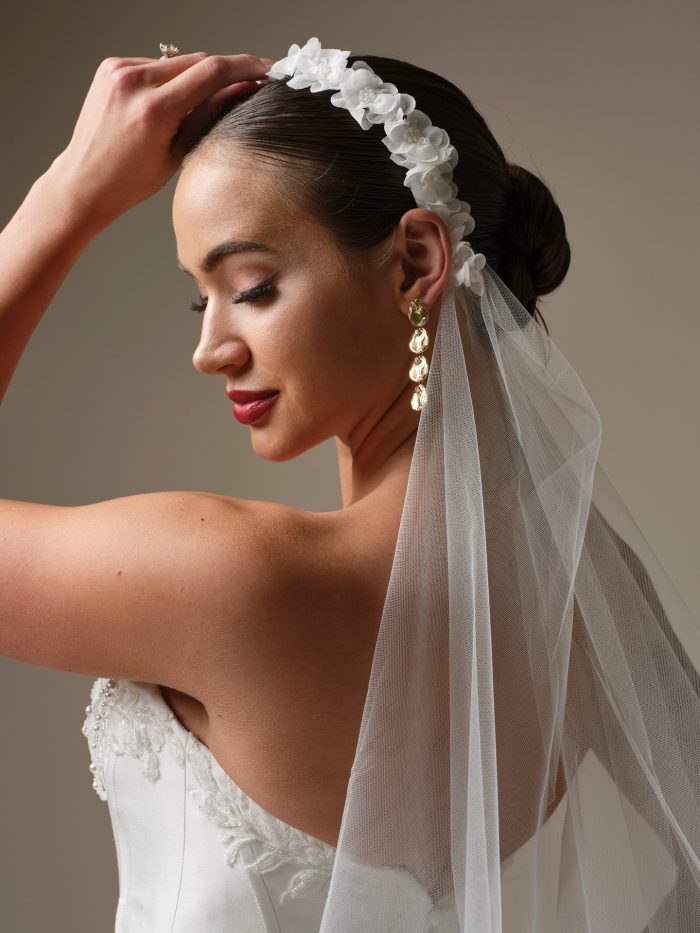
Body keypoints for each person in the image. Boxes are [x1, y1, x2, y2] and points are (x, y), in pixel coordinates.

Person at [1, 38, 699, 932]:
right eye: (198, 299)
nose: (209, 348)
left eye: (250, 287)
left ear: (416, 261)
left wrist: (66, 197)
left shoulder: (229, 577)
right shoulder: (584, 592)